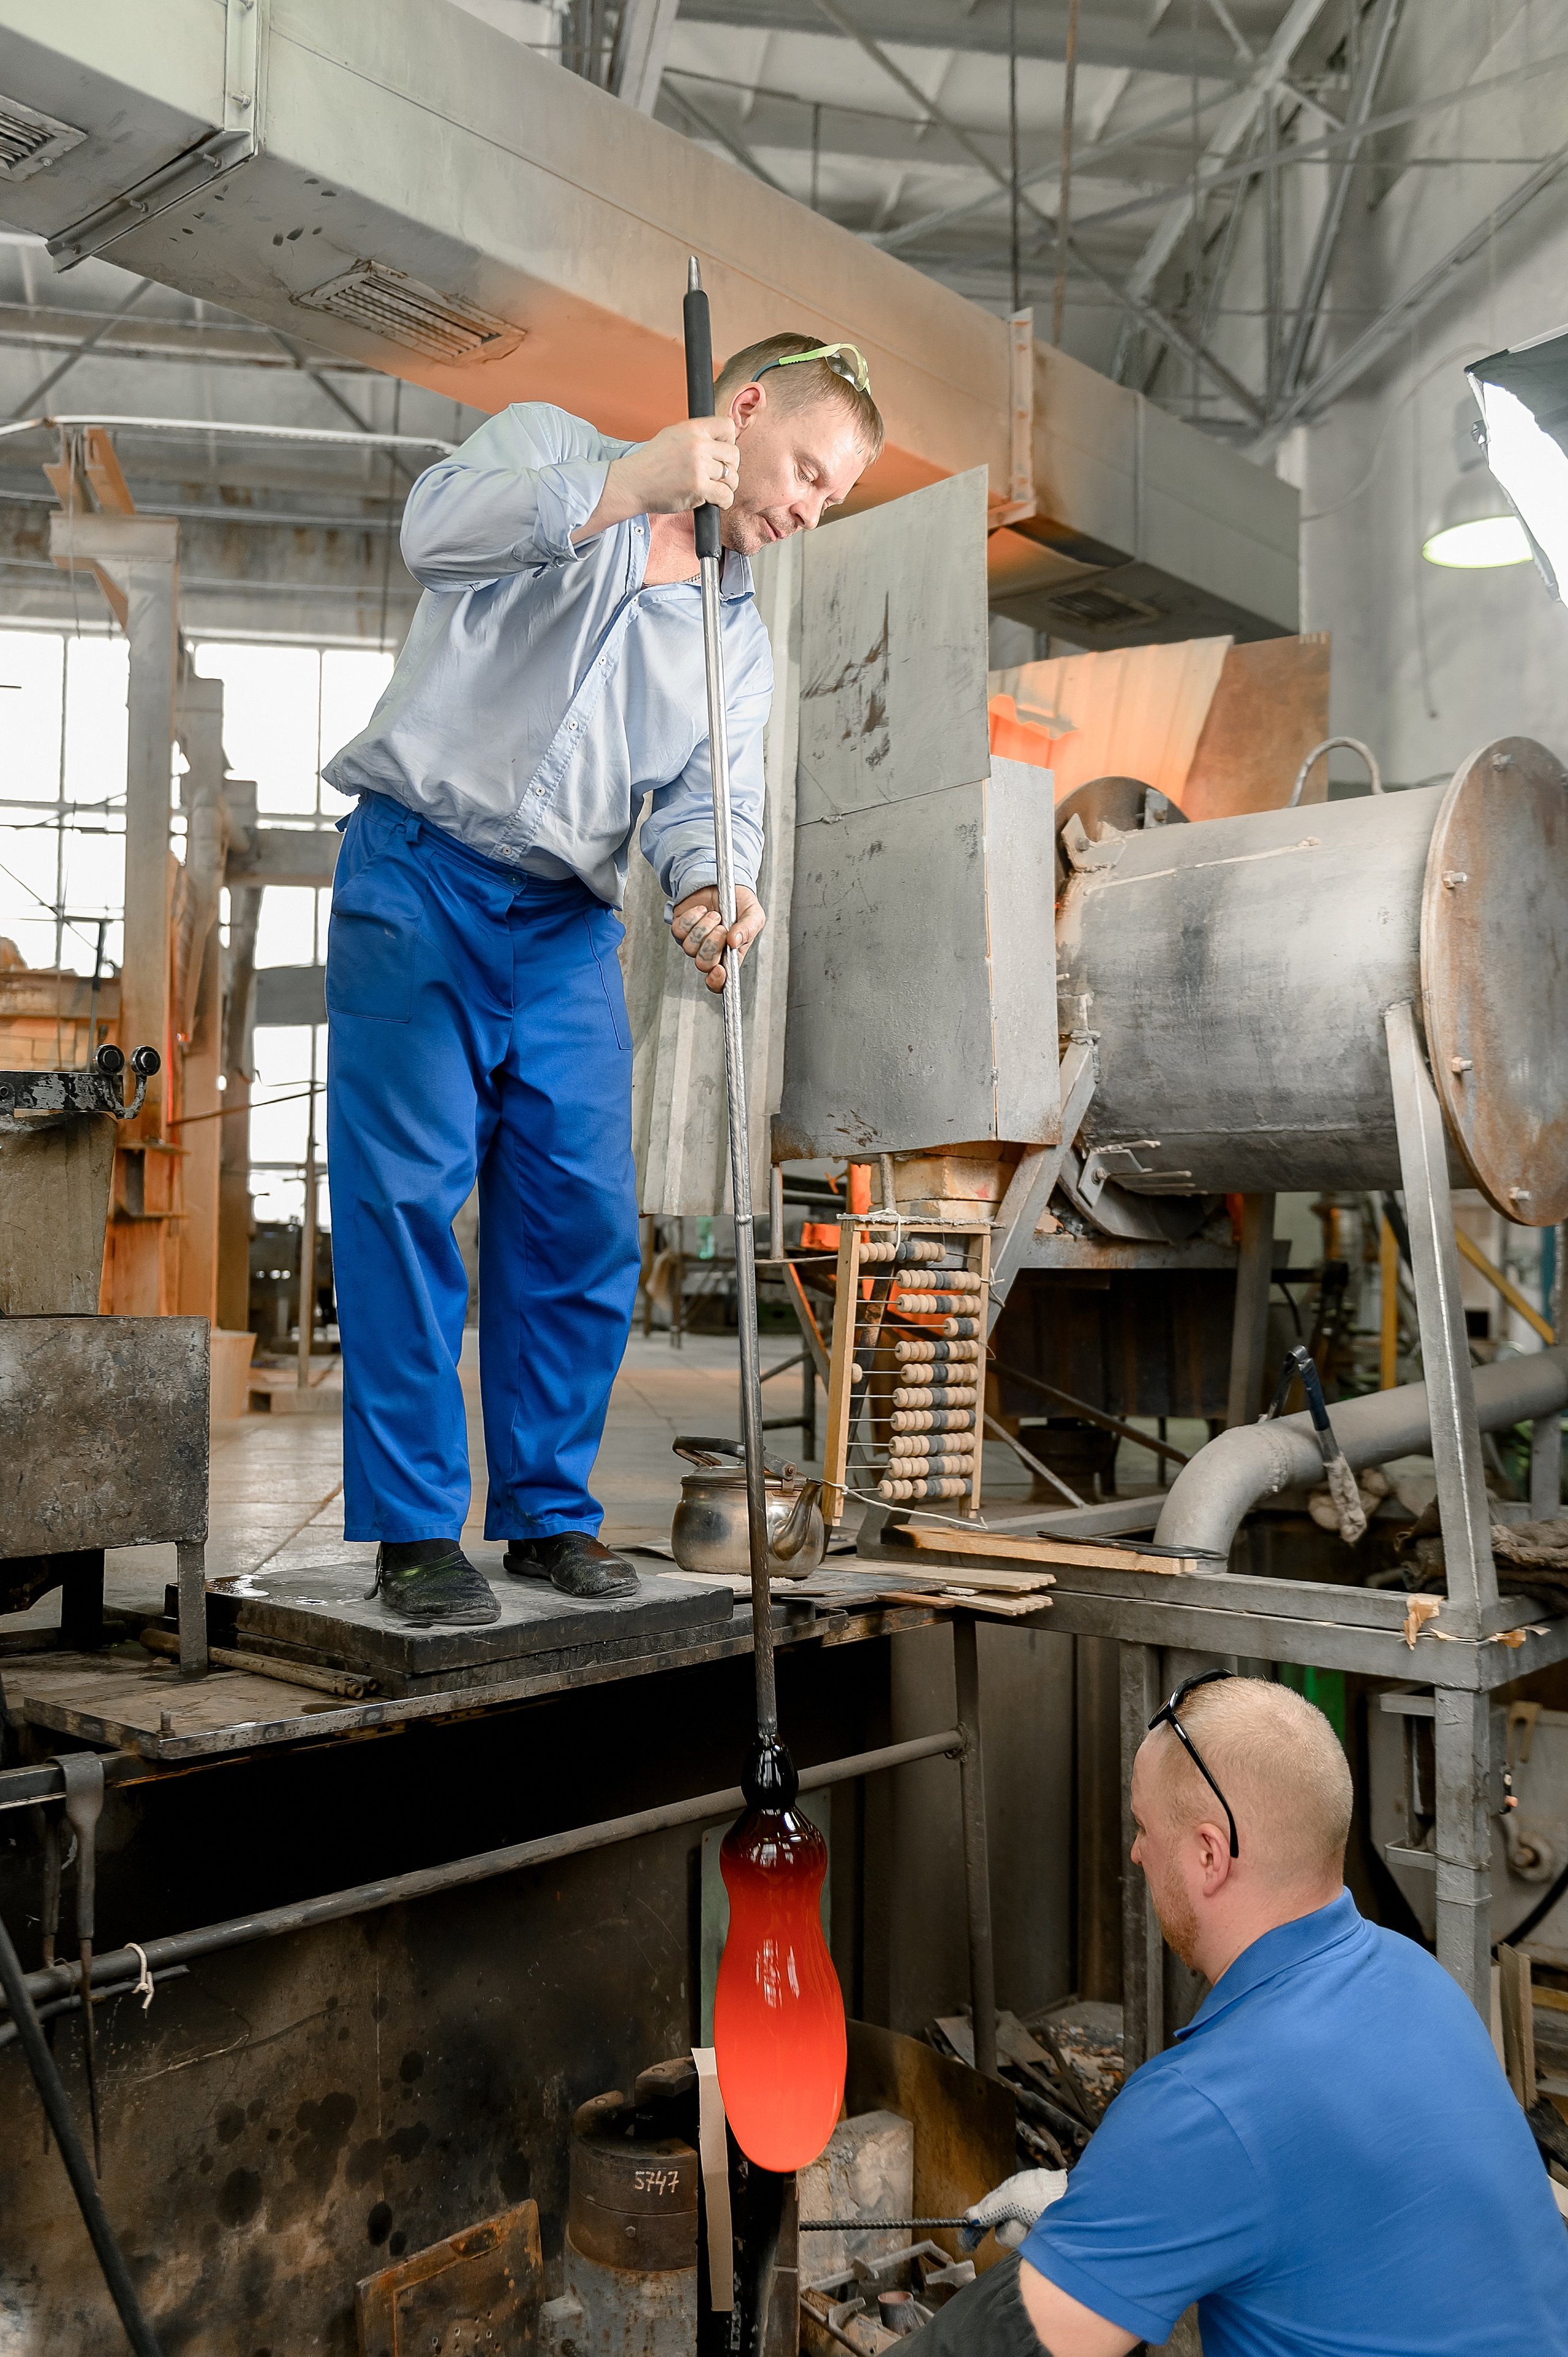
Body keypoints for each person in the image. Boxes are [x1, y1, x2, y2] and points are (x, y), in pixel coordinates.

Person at [322, 336, 883, 1624]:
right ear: (743, 411)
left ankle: (545, 1519)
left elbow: (710, 803)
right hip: (421, 874)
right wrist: (629, 482)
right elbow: (433, 532)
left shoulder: (732, 637)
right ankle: (415, 1531)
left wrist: (711, 885)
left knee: (575, 1223)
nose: (805, 511)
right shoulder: (548, 449)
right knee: (407, 1208)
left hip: (567, 920)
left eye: (828, 501)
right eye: (804, 472)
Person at [923, 1673, 1568, 2357]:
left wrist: (1107, 2217)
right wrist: (1104, 2207)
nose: (1137, 1850)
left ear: (1208, 1854)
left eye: (1143, 1826)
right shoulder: (1416, 1977)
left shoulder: (1205, 2101)